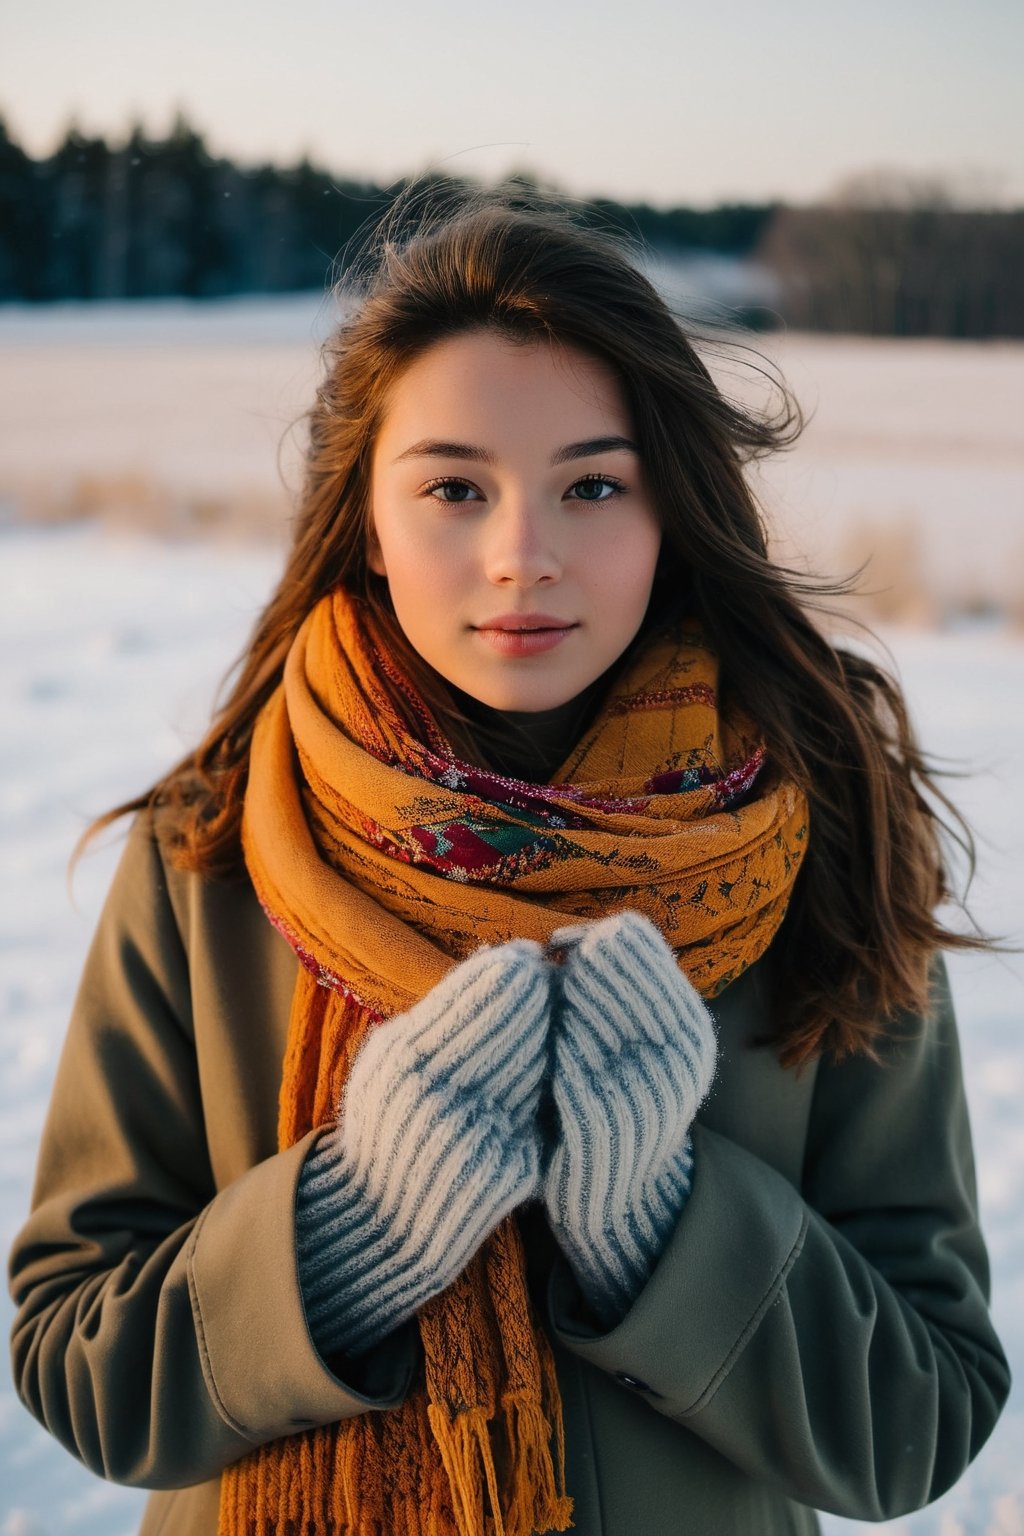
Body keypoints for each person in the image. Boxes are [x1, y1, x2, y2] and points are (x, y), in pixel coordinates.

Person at [8, 187, 1010, 1536]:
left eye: (592, 486)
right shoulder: (215, 852)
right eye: (454, 489)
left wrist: (666, 1227)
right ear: (367, 516)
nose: (521, 557)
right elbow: (82, 1363)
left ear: (670, 512)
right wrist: (349, 1236)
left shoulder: (813, 846)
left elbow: (921, 1417)